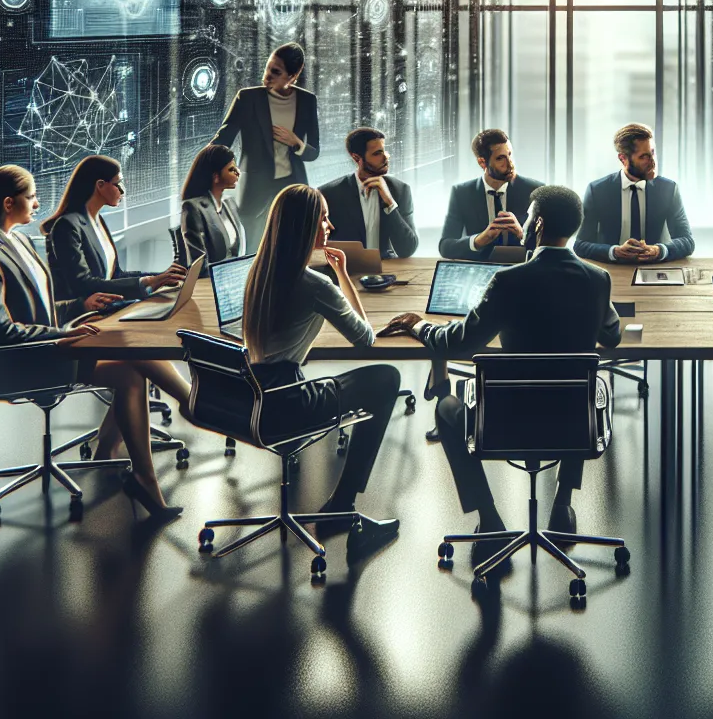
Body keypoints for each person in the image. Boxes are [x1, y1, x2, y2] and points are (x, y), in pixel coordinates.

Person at [384, 186, 622, 569]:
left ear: (539, 223)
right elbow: (612, 336)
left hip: (506, 425)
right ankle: (562, 504)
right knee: (580, 384)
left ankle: (490, 519)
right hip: (575, 425)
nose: (525, 221)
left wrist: (420, 327)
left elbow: (459, 342)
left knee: (447, 407)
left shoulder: (509, 281)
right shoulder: (597, 279)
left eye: (528, 215)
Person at [0, 166, 188, 520]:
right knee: (131, 360)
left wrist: (78, 307)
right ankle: (189, 404)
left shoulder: (19, 241)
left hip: (51, 346)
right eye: (31, 196)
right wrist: (62, 335)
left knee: (131, 372)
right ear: (9, 203)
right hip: (27, 361)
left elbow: (40, 304)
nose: (38, 203)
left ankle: (136, 470)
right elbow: (2, 332)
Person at [241, 184, 403, 551]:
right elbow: (366, 338)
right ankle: (341, 507)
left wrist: (338, 276)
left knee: (372, 379)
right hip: (287, 403)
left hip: (255, 395)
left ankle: (341, 508)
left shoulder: (260, 271)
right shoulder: (314, 284)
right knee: (386, 378)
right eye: (323, 219)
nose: (330, 226)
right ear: (304, 227)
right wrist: (342, 279)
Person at [208, 42, 320, 243]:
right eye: (268, 67)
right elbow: (223, 138)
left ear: (292, 77)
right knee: (252, 245)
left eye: (275, 72)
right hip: (254, 186)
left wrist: (296, 143)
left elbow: (314, 152)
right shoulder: (248, 98)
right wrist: (203, 168)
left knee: (294, 244)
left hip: (292, 185)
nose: (266, 75)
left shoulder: (307, 101)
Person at [42, 155, 186, 301]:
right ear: (100, 185)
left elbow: (116, 275)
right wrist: (147, 282)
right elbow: (82, 284)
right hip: (85, 315)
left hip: (107, 306)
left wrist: (159, 276)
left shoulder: (98, 220)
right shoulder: (67, 225)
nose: (122, 191)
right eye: (118, 184)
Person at [574, 123, 695, 264]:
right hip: (613, 271)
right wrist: (614, 251)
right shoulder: (597, 190)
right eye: (644, 156)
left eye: (653, 153)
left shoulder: (668, 189)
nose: (653, 162)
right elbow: (581, 245)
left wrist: (659, 250)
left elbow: (687, 241)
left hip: (655, 270)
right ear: (623, 159)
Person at [438, 128, 544, 260]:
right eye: (501, 158)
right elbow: (445, 246)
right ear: (482, 162)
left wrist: (522, 234)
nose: (510, 164)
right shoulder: (461, 193)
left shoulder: (535, 190)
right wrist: (480, 239)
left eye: (510, 155)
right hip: (478, 271)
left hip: (522, 271)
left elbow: (548, 247)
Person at [317, 127, 418, 259]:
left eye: (385, 151)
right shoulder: (329, 194)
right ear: (357, 158)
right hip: (348, 270)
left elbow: (407, 249)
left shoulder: (400, 190)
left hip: (387, 269)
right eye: (377, 153)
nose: (386, 157)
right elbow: (318, 245)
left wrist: (390, 202)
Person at [179, 144, 246, 271]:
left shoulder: (229, 204)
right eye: (231, 169)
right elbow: (199, 265)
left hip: (233, 277)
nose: (238, 172)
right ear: (216, 177)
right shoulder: (193, 208)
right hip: (211, 283)